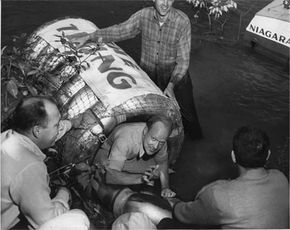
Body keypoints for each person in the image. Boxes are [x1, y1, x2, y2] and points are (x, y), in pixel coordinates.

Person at [67, 0, 203, 140]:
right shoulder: (143, 16)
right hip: (149, 78)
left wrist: (171, 85)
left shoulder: (182, 21)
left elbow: (183, 61)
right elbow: (120, 31)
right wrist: (90, 36)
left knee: (189, 117)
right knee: (152, 118)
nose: (165, 4)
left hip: (176, 79)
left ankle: (196, 147)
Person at [166, 126, 289, 229]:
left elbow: (182, 214)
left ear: (233, 156)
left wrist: (173, 201)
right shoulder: (281, 179)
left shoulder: (218, 195)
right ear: (268, 155)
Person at [1, 96, 90, 230]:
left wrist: (70, 123)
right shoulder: (30, 167)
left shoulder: (8, 136)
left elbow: (48, 134)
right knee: (78, 218)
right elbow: (45, 220)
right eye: (56, 125)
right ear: (37, 130)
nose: (59, 127)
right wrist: (63, 194)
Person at [94, 116, 176, 198]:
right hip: (108, 155)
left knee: (163, 172)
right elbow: (111, 175)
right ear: (145, 131)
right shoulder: (125, 140)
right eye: (153, 139)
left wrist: (165, 188)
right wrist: (141, 179)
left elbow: (162, 163)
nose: (155, 146)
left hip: (133, 157)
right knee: (107, 186)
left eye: (161, 142)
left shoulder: (160, 137)